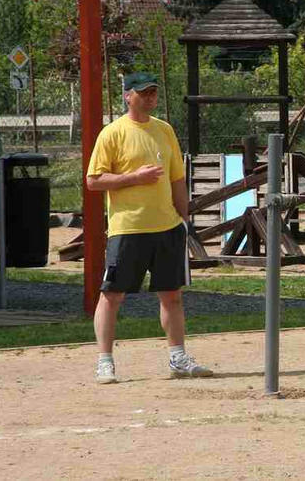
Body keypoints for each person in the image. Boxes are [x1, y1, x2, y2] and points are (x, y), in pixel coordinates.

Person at [86, 72, 213, 384]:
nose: (150, 98)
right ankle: (105, 362)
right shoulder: (112, 133)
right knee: (112, 296)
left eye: (154, 92)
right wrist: (134, 178)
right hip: (128, 229)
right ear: (128, 96)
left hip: (167, 228)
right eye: (143, 92)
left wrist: (184, 220)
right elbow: (94, 181)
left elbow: (177, 179)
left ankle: (178, 358)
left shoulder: (164, 130)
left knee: (172, 295)